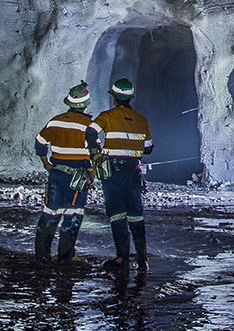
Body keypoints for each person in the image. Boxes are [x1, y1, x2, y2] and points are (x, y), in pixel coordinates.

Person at [88, 78, 154, 271]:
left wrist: (96, 152)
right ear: (130, 98)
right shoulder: (142, 120)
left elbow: (90, 133)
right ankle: (143, 259)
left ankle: (122, 259)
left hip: (112, 171)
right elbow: (148, 148)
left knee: (117, 214)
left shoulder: (107, 116)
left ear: (115, 98)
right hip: (133, 171)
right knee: (136, 214)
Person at [33, 82, 96, 264]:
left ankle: (42, 254)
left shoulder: (55, 121)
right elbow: (96, 153)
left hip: (56, 173)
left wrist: (46, 163)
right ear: (85, 104)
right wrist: (93, 173)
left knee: (50, 212)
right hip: (78, 174)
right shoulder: (89, 125)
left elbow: (40, 142)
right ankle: (65, 257)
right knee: (73, 214)